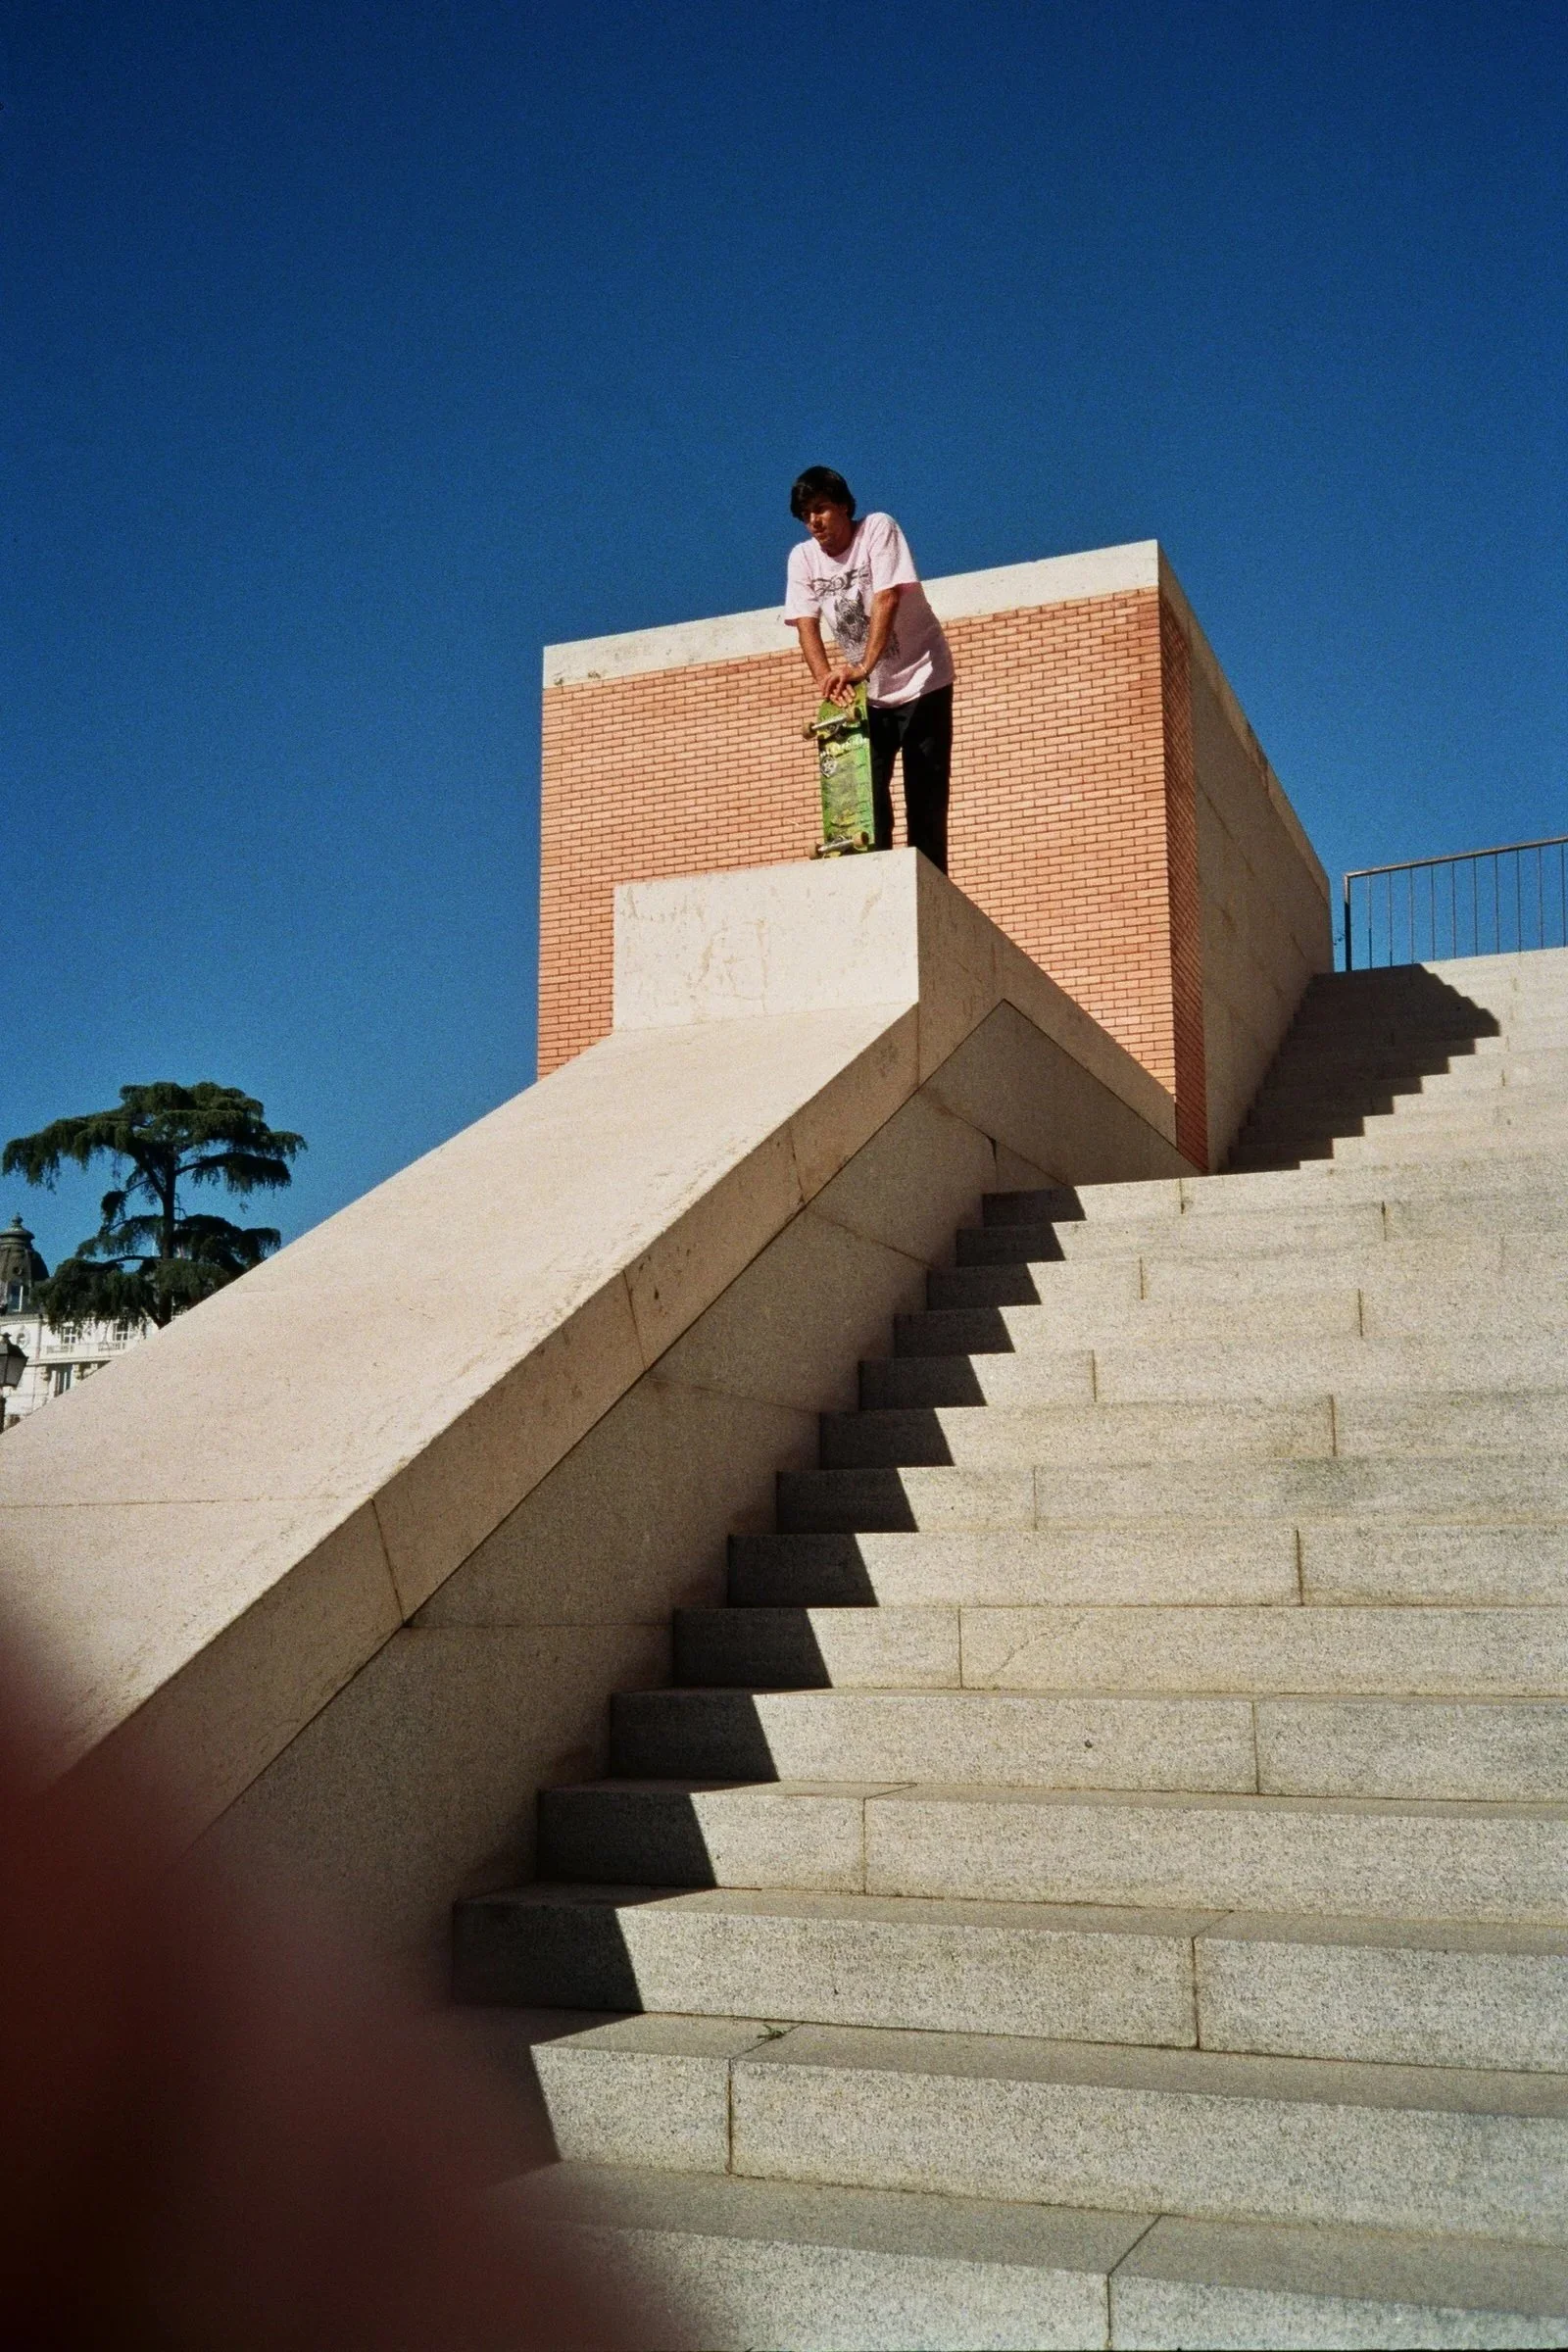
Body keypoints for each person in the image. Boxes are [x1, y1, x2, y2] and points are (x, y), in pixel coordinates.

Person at [783, 466, 955, 872]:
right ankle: (874, 884)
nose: (814, 522)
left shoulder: (878, 528)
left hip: (923, 680)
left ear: (843, 505)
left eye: (821, 509)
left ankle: (928, 892)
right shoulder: (802, 559)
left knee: (925, 800)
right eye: (806, 515)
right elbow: (806, 624)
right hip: (870, 701)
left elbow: (888, 596)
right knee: (866, 801)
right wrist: (826, 679)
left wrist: (863, 665)